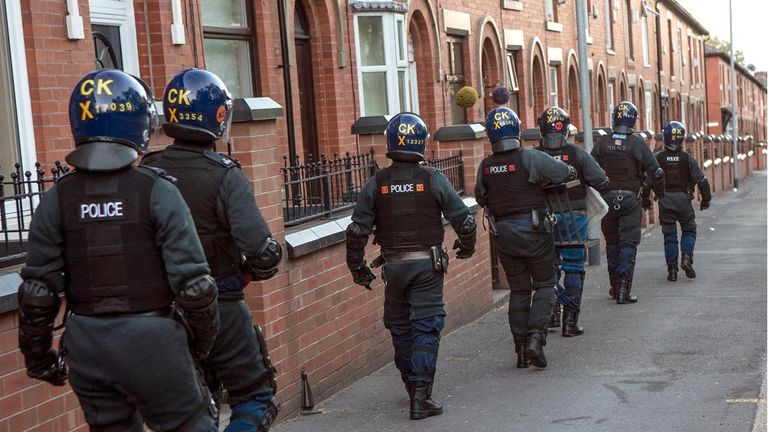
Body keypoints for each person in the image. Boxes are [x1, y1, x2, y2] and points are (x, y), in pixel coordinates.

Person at [18, 69, 220, 431]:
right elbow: (195, 287)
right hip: (154, 341)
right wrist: (200, 348)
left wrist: (38, 357)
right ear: (139, 124)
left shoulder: (57, 198)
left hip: (88, 346)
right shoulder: (157, 192)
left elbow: (38, 291)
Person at [142, 68, 282, 431]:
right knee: (255, 396)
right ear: (217, 116)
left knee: (187, 411)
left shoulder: (146, 170)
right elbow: (261, 250)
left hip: (161, 312)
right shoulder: (224, 174)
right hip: (220, 305)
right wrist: (261, 264)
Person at [345, 112, 476, 420]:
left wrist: (357, 268)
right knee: (426, 325)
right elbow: (465, 221)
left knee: (400, 325)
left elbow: (356, 231)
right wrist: (466, 247)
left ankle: (410, 383)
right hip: (426, 267)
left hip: (393, 267)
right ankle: (421, 395)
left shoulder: (377, 182)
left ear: (390, 142)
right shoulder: (432, 178)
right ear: (421, 142)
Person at [475, 107, 575, 369]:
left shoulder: (485, 166)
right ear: (516, 131)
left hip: (505, 237)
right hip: (535, 232)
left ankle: (520, 350)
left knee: (519, 290)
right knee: (544, 284)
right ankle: (535, 339)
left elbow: (480, 197)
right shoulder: (530, 157)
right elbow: (564, 173)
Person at [534, 106, 608, 337]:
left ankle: (552, 314)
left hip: (545, 222)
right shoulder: (577, 154)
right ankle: (570, 322)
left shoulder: (534, 155)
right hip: (575, 222)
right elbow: (601, 179)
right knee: (574, 267)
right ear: (566, 129)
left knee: (549, 269)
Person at [591, 101, 665, 304]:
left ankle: (615, 286)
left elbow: (589, 169)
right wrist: (659, 193)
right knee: (628, 244)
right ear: (633, 120)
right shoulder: (637, 143)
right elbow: (656, 171)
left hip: (606, 200)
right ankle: (624, 289)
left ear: (614, 118)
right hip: (631, 200)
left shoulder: (602, 143)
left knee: (613, 244)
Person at [643, 121, 711, 281]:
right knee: (688, 230)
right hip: (683, 200)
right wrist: (706, 199)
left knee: (669, 236)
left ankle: (672, 269)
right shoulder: (687, 158)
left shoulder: (658, 158)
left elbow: (647, 181)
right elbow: (701, 180)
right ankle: (686, 257)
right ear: (682, 138)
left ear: (665, 137)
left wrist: (645, 200)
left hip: (665, 200)